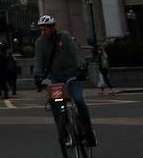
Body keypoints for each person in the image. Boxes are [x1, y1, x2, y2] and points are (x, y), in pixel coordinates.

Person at [32, 15, 96, 143]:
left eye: (45, 29)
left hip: (71, 74)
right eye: (41, 29)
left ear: (52, 28)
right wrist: (38, 77)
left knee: (78, 100)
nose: (43, 32)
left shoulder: (64, 36)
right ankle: (63, 132)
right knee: (56, 103)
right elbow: (38, 61)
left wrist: (81, 67)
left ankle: (88, 131)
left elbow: (76, 52)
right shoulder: (40, 42)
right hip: (54, 76)